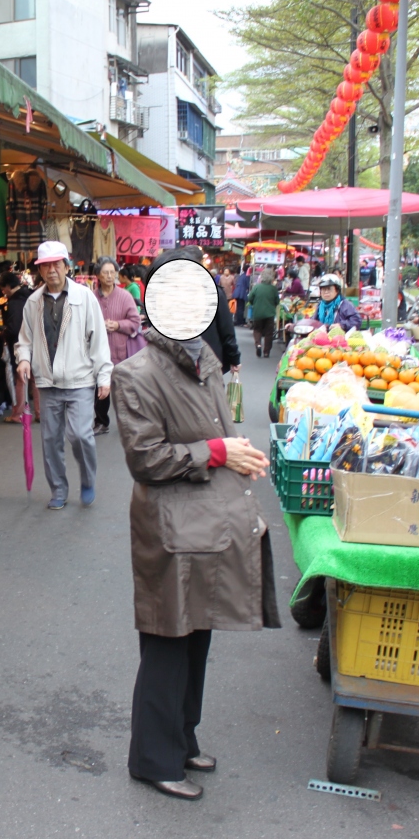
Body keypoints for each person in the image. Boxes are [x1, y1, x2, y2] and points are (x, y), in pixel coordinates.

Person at [112, 279, 280, 803]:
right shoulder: (134, 374)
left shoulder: (204, 359)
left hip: (209, 519)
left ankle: (183, 740)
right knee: (167, 640)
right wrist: (216, 452)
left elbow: (218, 433)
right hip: (169, 526)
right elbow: (146, 459)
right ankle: (153, 759)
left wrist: (236, 456)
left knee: (196, 637)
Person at [16, 240, 113, 510]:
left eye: (56, 264)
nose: (51, 270)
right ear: (40, 270)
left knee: (81, 435)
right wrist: (23, 359)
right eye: (45, 266)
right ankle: (58, 490)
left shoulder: (84, 297)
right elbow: (25, 339)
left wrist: (104, 376)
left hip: (80, 380)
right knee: (50, 441)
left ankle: (88, 480)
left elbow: (98, 339)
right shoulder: (33, 302)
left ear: (66, 266)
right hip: (47, 382)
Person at [93, 256, 142, 435]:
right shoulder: (91, 297)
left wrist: (118, 325)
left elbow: (135, 321)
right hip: (97, 352)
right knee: (99, 389)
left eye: (112, 272)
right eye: (105, 272)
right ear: (98, 275)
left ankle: (130, 424)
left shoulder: (125, 296)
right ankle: (101, 421)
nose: (109, 276)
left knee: (124, 391)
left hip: (120, 352)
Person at [0, 270, 39, 424]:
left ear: (9, 286)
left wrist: (4, 333)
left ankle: (18, 414)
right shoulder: (30, 296)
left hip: (20, 345)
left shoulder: (15, 302)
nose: (3, 291)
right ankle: (40, 413)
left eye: (3, 288)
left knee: (20, 379)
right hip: (36, 341)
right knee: (35, 379)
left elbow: (15, 328)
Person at [248, 269, 280, 359]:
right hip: (270, 313)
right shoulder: (273, 289)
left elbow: (250, 298)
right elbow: (277, 301)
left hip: (258, 312)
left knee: (257, 329)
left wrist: (254, 304)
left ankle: (258, 344)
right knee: (268, 333)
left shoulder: (257, 287)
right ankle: (266, 352)